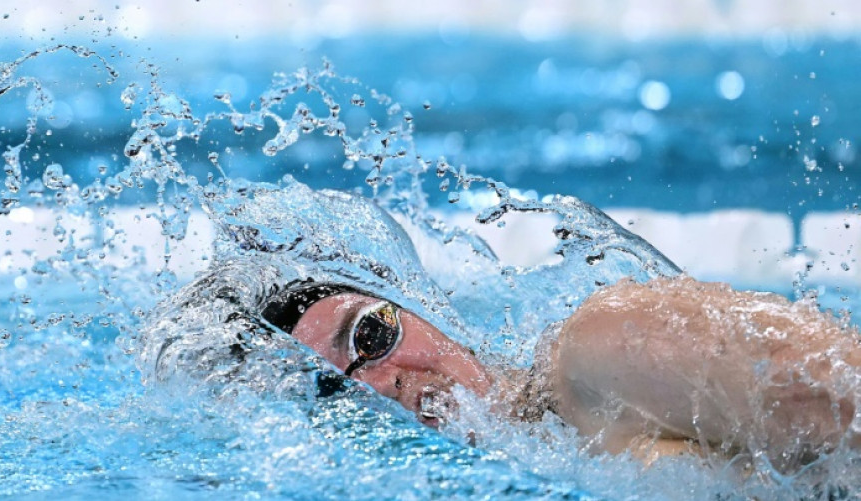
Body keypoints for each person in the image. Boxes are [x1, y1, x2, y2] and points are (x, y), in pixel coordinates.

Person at [145, 186, 861, 471]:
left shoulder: (601, 352)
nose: (381, 387)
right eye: (332, 396)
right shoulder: (554, 461)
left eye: (369, 338)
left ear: (413, 303)